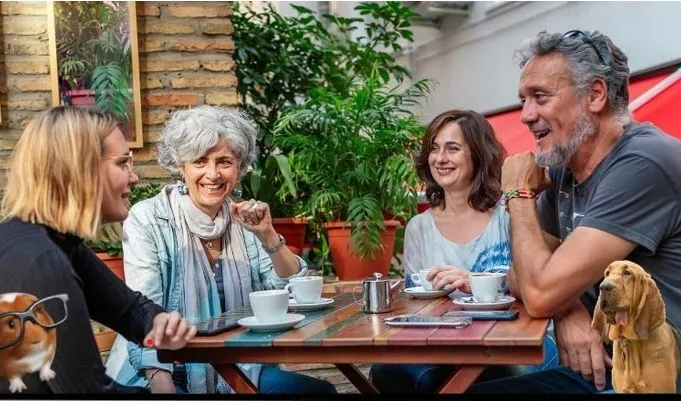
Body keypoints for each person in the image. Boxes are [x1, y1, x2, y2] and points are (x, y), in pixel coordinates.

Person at [469, 30, 681, 393]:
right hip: (603, 369)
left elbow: (537, 293)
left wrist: (518, 194)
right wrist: (569, 310)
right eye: (523, 100)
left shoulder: (643, 163)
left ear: (595, 94)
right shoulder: (565, 171)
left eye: (540, 97)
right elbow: (521, 277)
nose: (525, 116)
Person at [104, 106, 336, 395]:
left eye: (224, 161)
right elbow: (143, 316)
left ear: (238, 167)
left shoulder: (243, 219)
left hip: (241, 366)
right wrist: (162, 388)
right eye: (200, 161)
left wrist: (266, 234)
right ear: (181, 166)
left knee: (320, 393)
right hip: (166, 368)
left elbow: (292, 290)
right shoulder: (149, 218)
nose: (212, 174)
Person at [0, 107, 196, 394]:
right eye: (123, 163)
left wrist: (159, 322)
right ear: (82, 170)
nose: (134, 177)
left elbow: (128, 310)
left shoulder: (52, 242)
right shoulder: (41, 260)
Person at [369, 109, 558, 393]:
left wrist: (474, 281)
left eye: (452, 148)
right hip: (443, 342)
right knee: (390, 372)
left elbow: (544, 281)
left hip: (518, 336)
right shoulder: (419, 227)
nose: (440, 158)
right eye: (434, 148)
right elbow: (417, 304)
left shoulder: (512, 212)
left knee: (510, 371)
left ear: (478, 155)